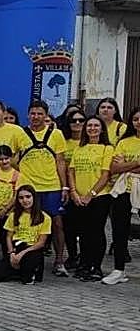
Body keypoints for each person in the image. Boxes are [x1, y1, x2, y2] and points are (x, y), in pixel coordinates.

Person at [12, 100, 70, 276]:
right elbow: (13, 159)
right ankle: (26, 259)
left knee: (57, 223)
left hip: (51, 186)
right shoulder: (20, 134)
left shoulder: (56, 134)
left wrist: (64, 186)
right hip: (29, 187)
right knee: (26, 222)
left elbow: (60, 162)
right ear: (28, 114)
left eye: (39, 113)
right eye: (32, 113)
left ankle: (59, 261)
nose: (35, 117)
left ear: (46, 115)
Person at [66, 116, 114, 281]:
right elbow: (71, 171)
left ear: (102, 129)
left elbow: (105, 174)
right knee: (84, 233)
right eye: (89, 125)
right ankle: (84, 264)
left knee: (96, 232)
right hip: (79, 198)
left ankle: (96, 267)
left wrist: (90, 195)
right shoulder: (80, 148)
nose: (92, 128)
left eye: (96, 126)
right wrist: (73, 192)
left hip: (99, 197)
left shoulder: (107, 149)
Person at [106, 107, 140, 285]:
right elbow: (115, 168)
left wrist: (127, 164)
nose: (139, 122)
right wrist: (136, 163)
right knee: (120, 230)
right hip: (124, 189)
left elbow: (122, 166)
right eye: (135, 119)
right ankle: (118, 270)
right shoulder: (124, 142)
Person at [0, 185, 49, 283]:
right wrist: (11, 253)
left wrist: (21, 254)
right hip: (17, 247)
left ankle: (26, 272)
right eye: (21, 198)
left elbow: (41, 243)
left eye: (28, 197)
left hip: (32, 249)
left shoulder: (45, 217)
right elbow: (8, 236)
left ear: (34, 197)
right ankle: (18, 272)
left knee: (27, 279)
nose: (25, 200)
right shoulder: (13, 215)